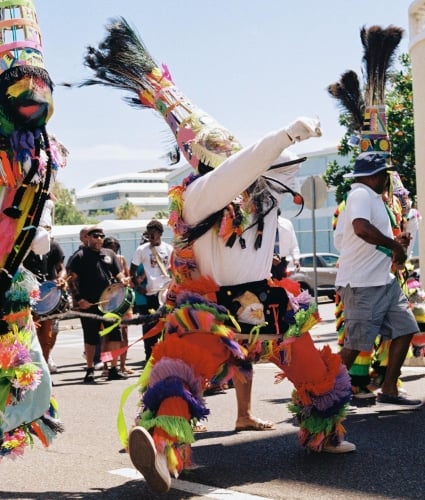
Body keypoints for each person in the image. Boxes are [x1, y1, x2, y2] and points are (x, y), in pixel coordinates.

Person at [334, 152, 423, 410]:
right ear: (374, 176)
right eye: (385, 174)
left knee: (406, 329)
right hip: (362, 284)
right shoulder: (360, 193)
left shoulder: (375, 199)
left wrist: (395, 244)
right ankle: (323, 395)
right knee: (355, 345)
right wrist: (393, 244)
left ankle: (389, 389)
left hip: (383, 281)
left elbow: (375, 236)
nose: (388, 179)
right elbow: (361, 228)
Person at [67, 225, 128, 383]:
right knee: (91, 338)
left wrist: (122, 279)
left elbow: (118, 273)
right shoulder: (80, 256)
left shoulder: (109, 254)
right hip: (89, 304)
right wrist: (79, 299)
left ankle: (113, 369)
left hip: (110, 303)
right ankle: (90, 370)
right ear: (87, 238)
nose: (99, 238)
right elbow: (71, 280)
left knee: (115, 336)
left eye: (101, 236)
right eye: (95, 236)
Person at [23, 224, 67, 368]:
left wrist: (61, 278)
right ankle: (30, 370)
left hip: (49, 297)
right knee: (29, 336)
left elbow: (62, 268)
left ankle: (44, 366)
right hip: (26, 297)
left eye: (47, 228)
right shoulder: (23, 246)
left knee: (48, 336)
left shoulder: (53, 246)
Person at [129, 220, 173, 361]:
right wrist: (138, 286)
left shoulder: (169, 249)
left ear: (160, 233)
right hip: (150, 294)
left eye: (153, 233)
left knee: (168, 326)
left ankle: (166, 356)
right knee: (150, 328)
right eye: (149, 234)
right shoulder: (142, 250)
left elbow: (175, 269)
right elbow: (132, 271)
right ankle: (150, 357)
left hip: (166, 293)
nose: (151, 236)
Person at [103, 236, 134, 375]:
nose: (113, 250)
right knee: (107, 336)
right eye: (110, 247)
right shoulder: (101, 259)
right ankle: (106, 366)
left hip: (123, 300)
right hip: (108, 301)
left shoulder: (121, 259)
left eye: (115, 247)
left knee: (124, 335)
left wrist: (127, 280)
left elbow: (127, 276)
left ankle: (122, 366)